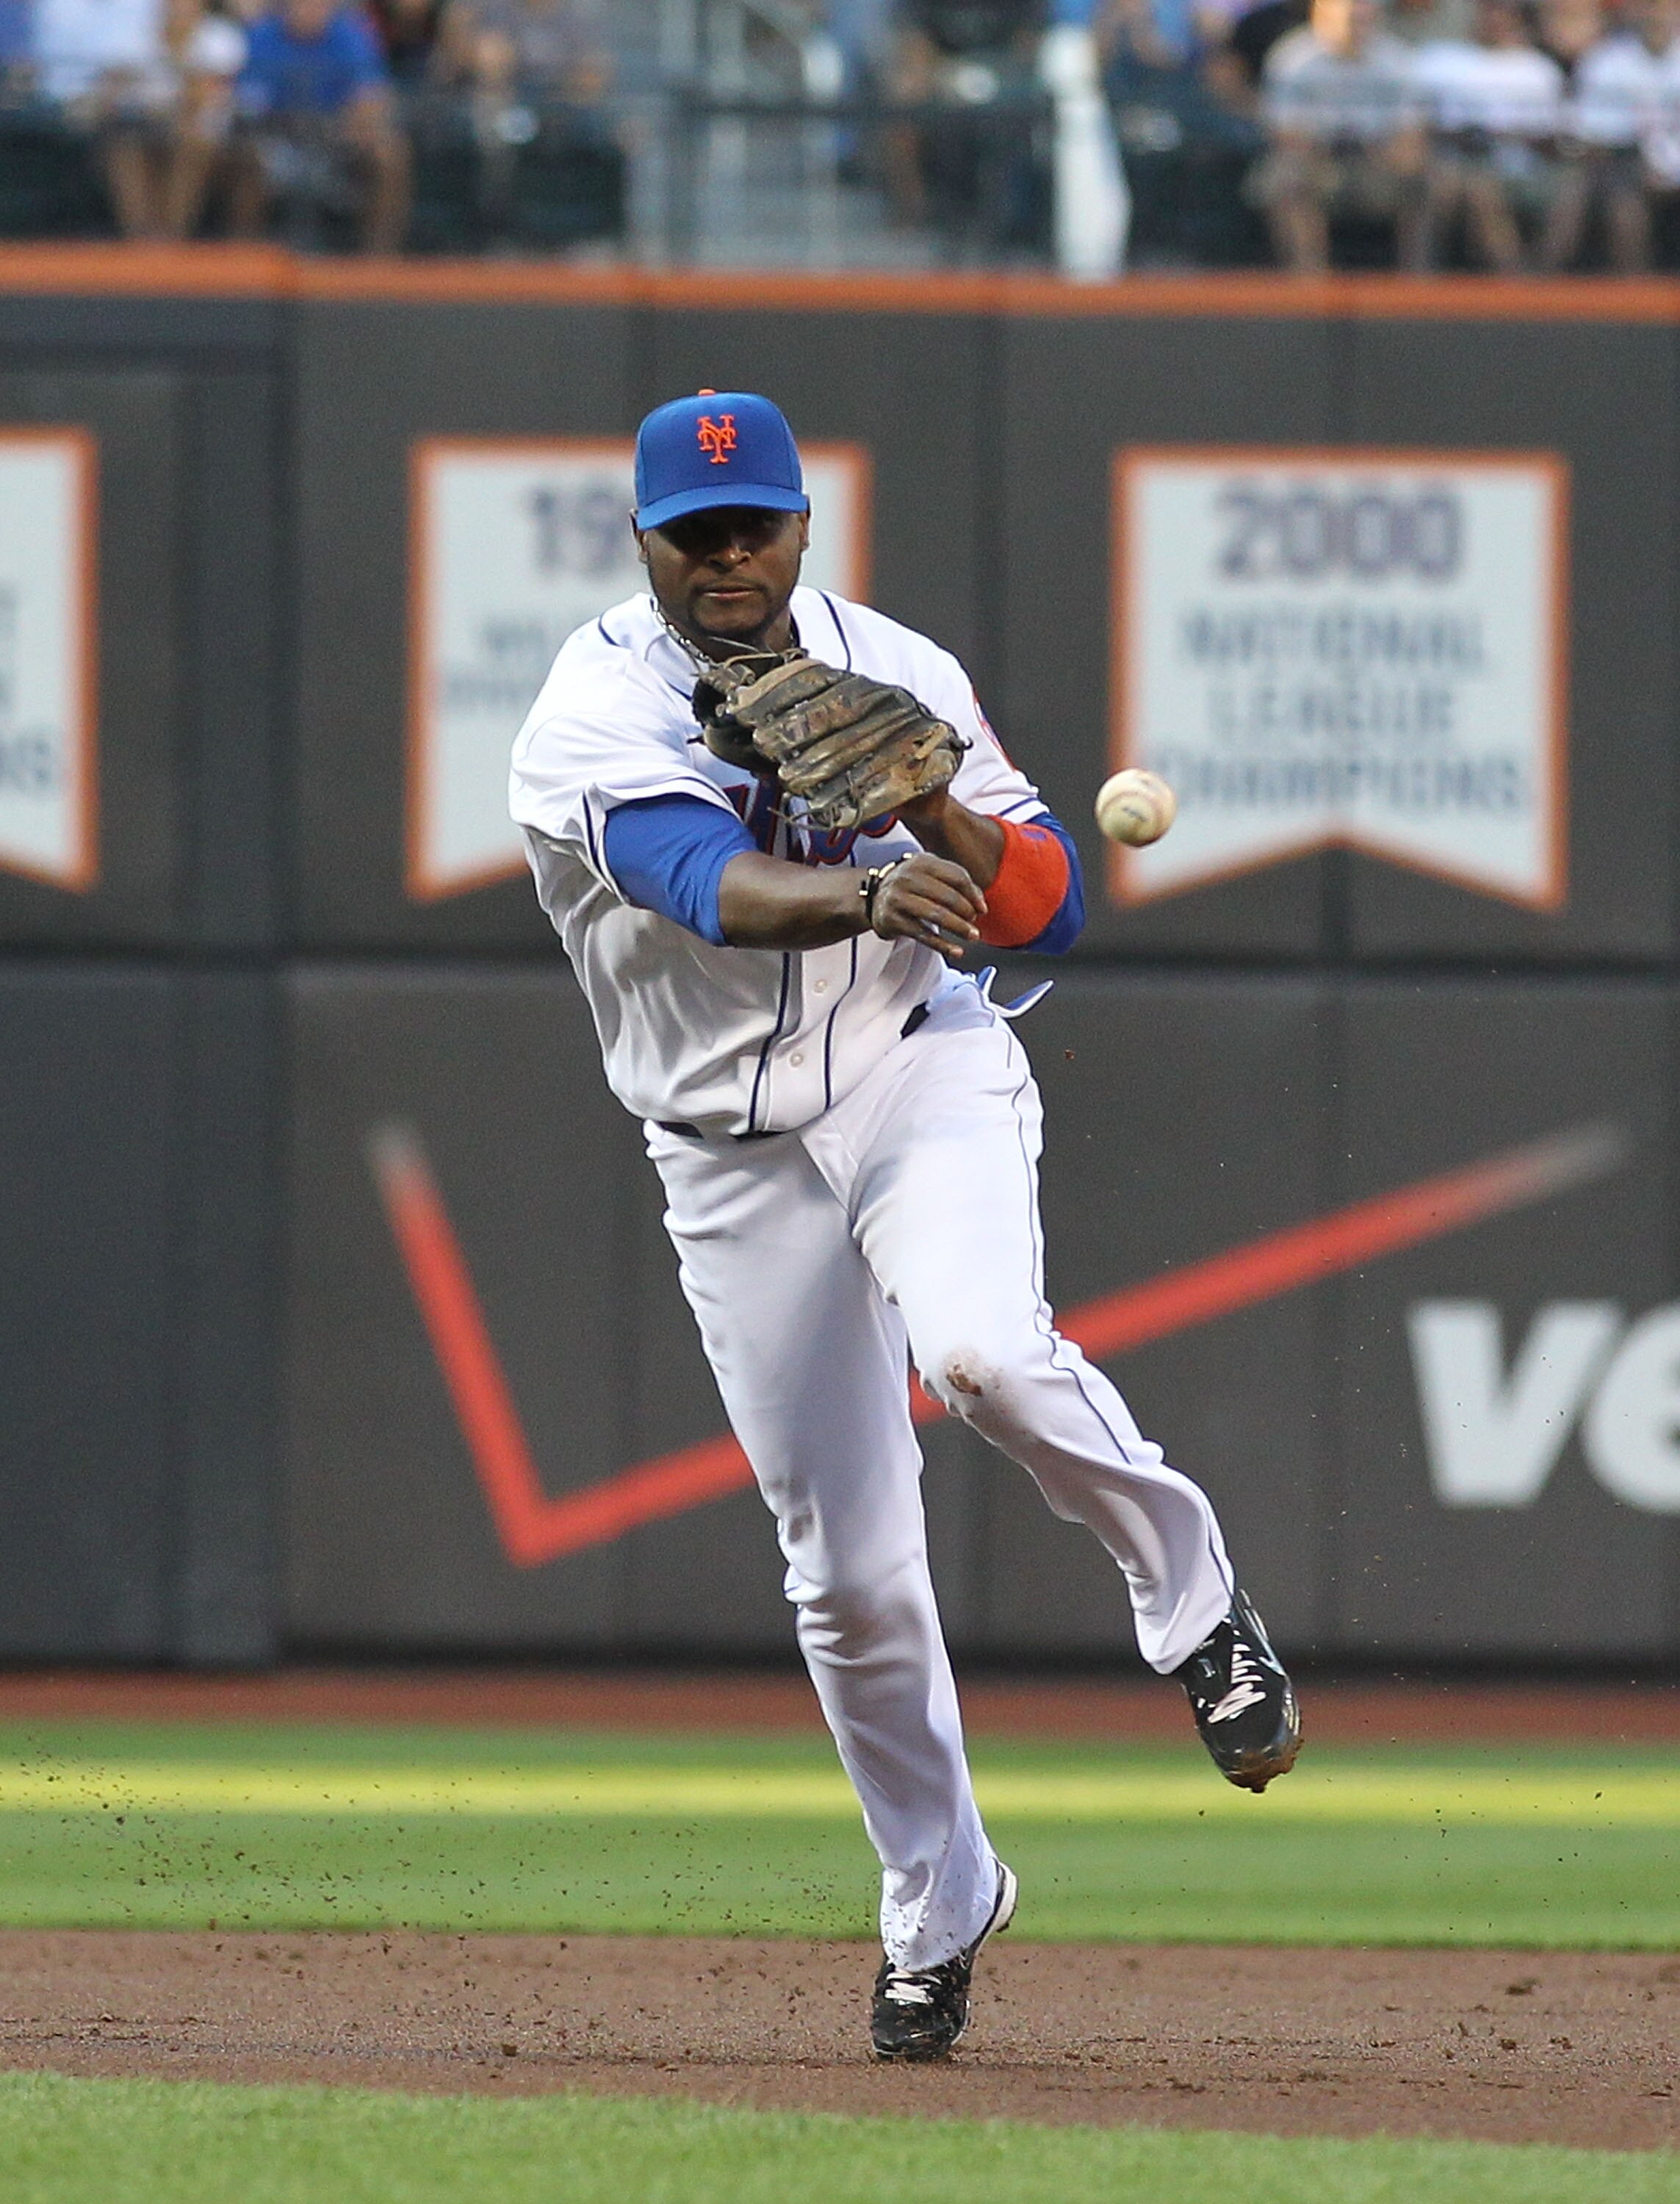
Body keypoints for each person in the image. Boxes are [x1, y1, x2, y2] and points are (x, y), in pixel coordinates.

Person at [508, 389, 1302, 2063]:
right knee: (848, 1582)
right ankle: (937, 1902)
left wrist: (934, 807)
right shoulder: (590, 710)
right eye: (694, 531)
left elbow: (1050, 906)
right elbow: (699, 881)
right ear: (644, 540)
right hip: (722, 1144)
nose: (729, 556)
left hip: (910, 1068)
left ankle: (1195, 1608)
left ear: (802, 528)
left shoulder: (899, 670)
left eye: (756, 525)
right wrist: (870, 880)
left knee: (981, 1351)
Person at [1253, 0, 1427, 269]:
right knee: (1287, 178)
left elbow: (1411, 134)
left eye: (1361, 19)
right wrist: (1318, 151)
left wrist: (1395, 158)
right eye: (1347, 18)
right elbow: (1283, 131)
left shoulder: (1396, 61)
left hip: (1377, 162)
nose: (1354, 26)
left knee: (1425, 178)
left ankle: (1416, 288)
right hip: (1317, 157)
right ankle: (1309, 286)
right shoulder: (1293, 58)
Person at [231, 0, 410, 249]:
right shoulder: (263, 35)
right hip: (277, 137)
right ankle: (244, 253)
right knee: (249, 156)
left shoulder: (350, 35)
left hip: (336, 137)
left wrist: (355, 120)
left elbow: (372, 95)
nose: (310, 9)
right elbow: (246, 100)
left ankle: (379, 258)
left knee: (389, 154)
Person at [1412, 0, 1565, 270]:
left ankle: (1524, 287)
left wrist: (1508, 135)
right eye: (1489, 11)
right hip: (1454, 163)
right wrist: (1463, 135)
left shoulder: (1537, 69)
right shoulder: (1442, 59)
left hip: (1522, 168)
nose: (1496, 20)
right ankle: (1418, 283)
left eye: (1504, 13)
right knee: (1455, 185)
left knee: (1488, 188)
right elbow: (1420, 121)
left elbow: (1554, 138)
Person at [1542, 0, 1680, 267]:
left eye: (1666, 8)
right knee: (1622, 213)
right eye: (1651, 8)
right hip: (1624, 166)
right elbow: (1586, 129)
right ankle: (1636, 301)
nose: (1658, 17)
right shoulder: (1606, 60)